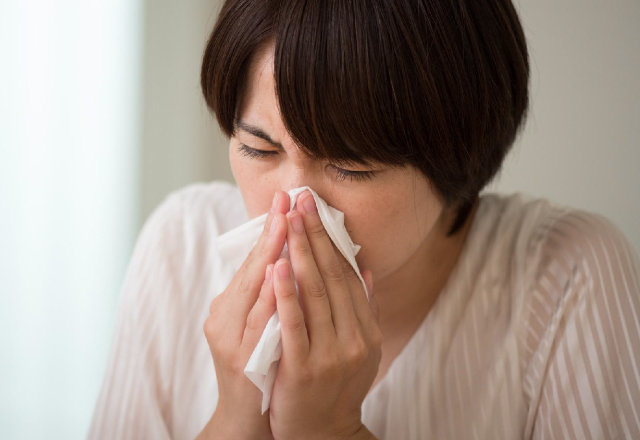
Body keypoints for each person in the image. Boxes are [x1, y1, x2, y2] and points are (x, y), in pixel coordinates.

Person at [87, 0, 640, 439]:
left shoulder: (568, 274)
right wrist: (236, 418)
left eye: (349, 167)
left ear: (459, 161)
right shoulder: (181, 243)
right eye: (259, 149)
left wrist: (330, 431)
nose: (294, 205)